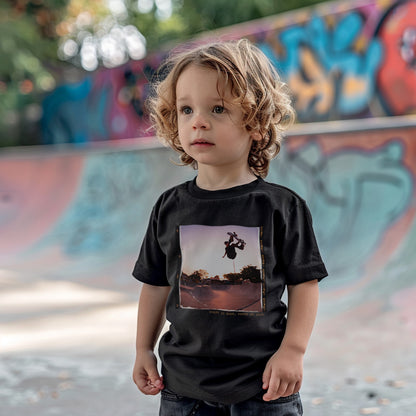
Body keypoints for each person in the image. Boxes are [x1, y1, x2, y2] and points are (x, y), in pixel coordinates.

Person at [132, 39, 328, 415]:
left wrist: (292, 351)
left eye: (217, 108)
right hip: (182, 387)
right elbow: (155, 284)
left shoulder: (279, 207)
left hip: (262, 387)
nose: (198, 121)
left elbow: (305, 284)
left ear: (255, 123)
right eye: (186, 109)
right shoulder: (169, 207)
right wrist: (143, 348)